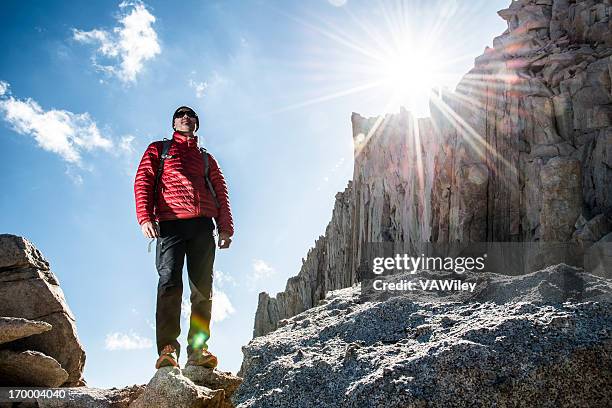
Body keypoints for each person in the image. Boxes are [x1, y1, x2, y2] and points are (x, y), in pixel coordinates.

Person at [134, 106, 234, 369]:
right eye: (180, 115)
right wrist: (145, 217)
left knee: (202, 290)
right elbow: (143, 180)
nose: (185, 117)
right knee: (169, 285)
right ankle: (168, 349)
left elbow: (221, 192)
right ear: (174, 123)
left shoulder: (206, 158)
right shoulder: (160, 149)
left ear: (196, 124)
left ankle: (198, 349)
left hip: (202, 226)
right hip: (170, 225)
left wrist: (225, 228)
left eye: (190, 115)